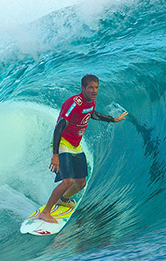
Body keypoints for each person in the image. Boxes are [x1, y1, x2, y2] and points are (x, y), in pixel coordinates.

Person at [37, 74, 128, 224]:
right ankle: (45, 212)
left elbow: (93, 114)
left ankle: (63, 199)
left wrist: (113, 119)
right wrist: (55, 155)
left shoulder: (91, 102)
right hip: (63, 143)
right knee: (67, 181)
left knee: (80, 183)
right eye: (91, 87)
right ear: (83, 88)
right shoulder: (74, 103)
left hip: (75, 144)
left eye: (96, 87)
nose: (94, 91)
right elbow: (60, 126)